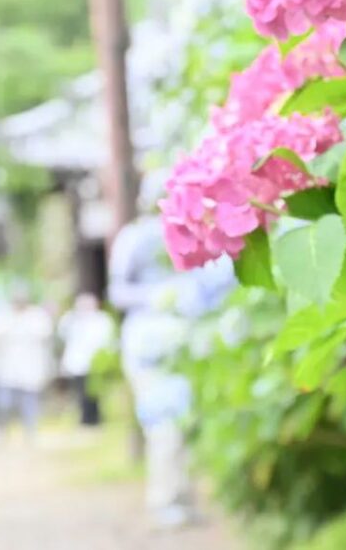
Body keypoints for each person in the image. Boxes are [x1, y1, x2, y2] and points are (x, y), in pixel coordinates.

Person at [109, 208, 234, 529]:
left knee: (187, 427)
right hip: (149, 350)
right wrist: (158, 295)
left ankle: (184, 499)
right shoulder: (136, 237)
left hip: (189, 347)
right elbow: (117, 291)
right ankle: (164, 500)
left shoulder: (202, 234)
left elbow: (216, 287)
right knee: (164, 427)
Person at [0, 287, 53, 441]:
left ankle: (30, 432)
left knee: (29, 403)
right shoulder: (3, 316)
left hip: (30, 367)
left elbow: (45, 335)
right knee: (3, 403)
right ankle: (2, 432)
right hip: (7, 368)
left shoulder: (37, 316)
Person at [57, 293, 114, 427]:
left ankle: (95, 418)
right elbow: (63, 333)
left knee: (94, 392)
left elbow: (105, 339)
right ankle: (85, 418)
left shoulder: (101, 319)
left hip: (96, 361)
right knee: (80, 392)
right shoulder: (72, 319)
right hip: (77, 363)